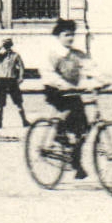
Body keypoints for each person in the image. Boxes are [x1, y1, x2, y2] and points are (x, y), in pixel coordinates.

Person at [39, 18, 99, 179]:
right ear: (58, 36)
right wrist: (62, 84)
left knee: (82, 129)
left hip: (73, 91)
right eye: (66, 35)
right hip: (56, 90)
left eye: (72, 34)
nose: (70, 38)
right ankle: (57, 135)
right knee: (66, 110)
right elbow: (48, 73)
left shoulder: (78, 54)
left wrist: (100, 81)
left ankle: (76, 162)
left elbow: (91, 68)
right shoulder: (54, 54)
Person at [0, 38, 29, 129]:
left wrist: (21, 77)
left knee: (18, 101)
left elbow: (21, 66)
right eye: (5, 46)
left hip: (12, 80)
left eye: (8, 45)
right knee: (0, 101)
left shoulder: (16, 55)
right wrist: (0, 46)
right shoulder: (0, 56)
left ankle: (24, 120)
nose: (7, 47)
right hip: (1, 80)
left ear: (11, 45)